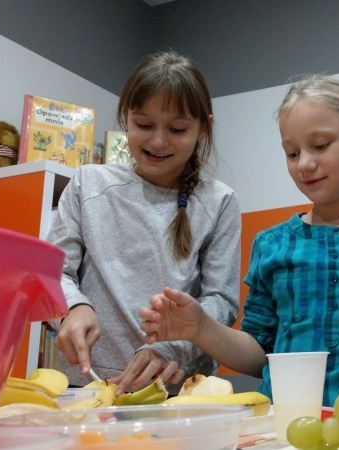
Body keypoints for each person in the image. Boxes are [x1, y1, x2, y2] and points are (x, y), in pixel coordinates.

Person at [139, 75, 339, 405]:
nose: (304, 163)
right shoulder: (272, 245)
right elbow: (259, 355)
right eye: (292, 153)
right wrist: (200, 327)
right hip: (286, 427)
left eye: (320, 146)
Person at [49, 50, 242, 395]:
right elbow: (52, 272)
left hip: (178, 388)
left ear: (203, 128)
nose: (157, 141)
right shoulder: (88, 183)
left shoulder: (219, 201)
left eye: (177, 128)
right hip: (88, 384)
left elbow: (221, 302)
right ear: (126, 118)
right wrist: (73, 308)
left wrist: (174, 347)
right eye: (143, 124)